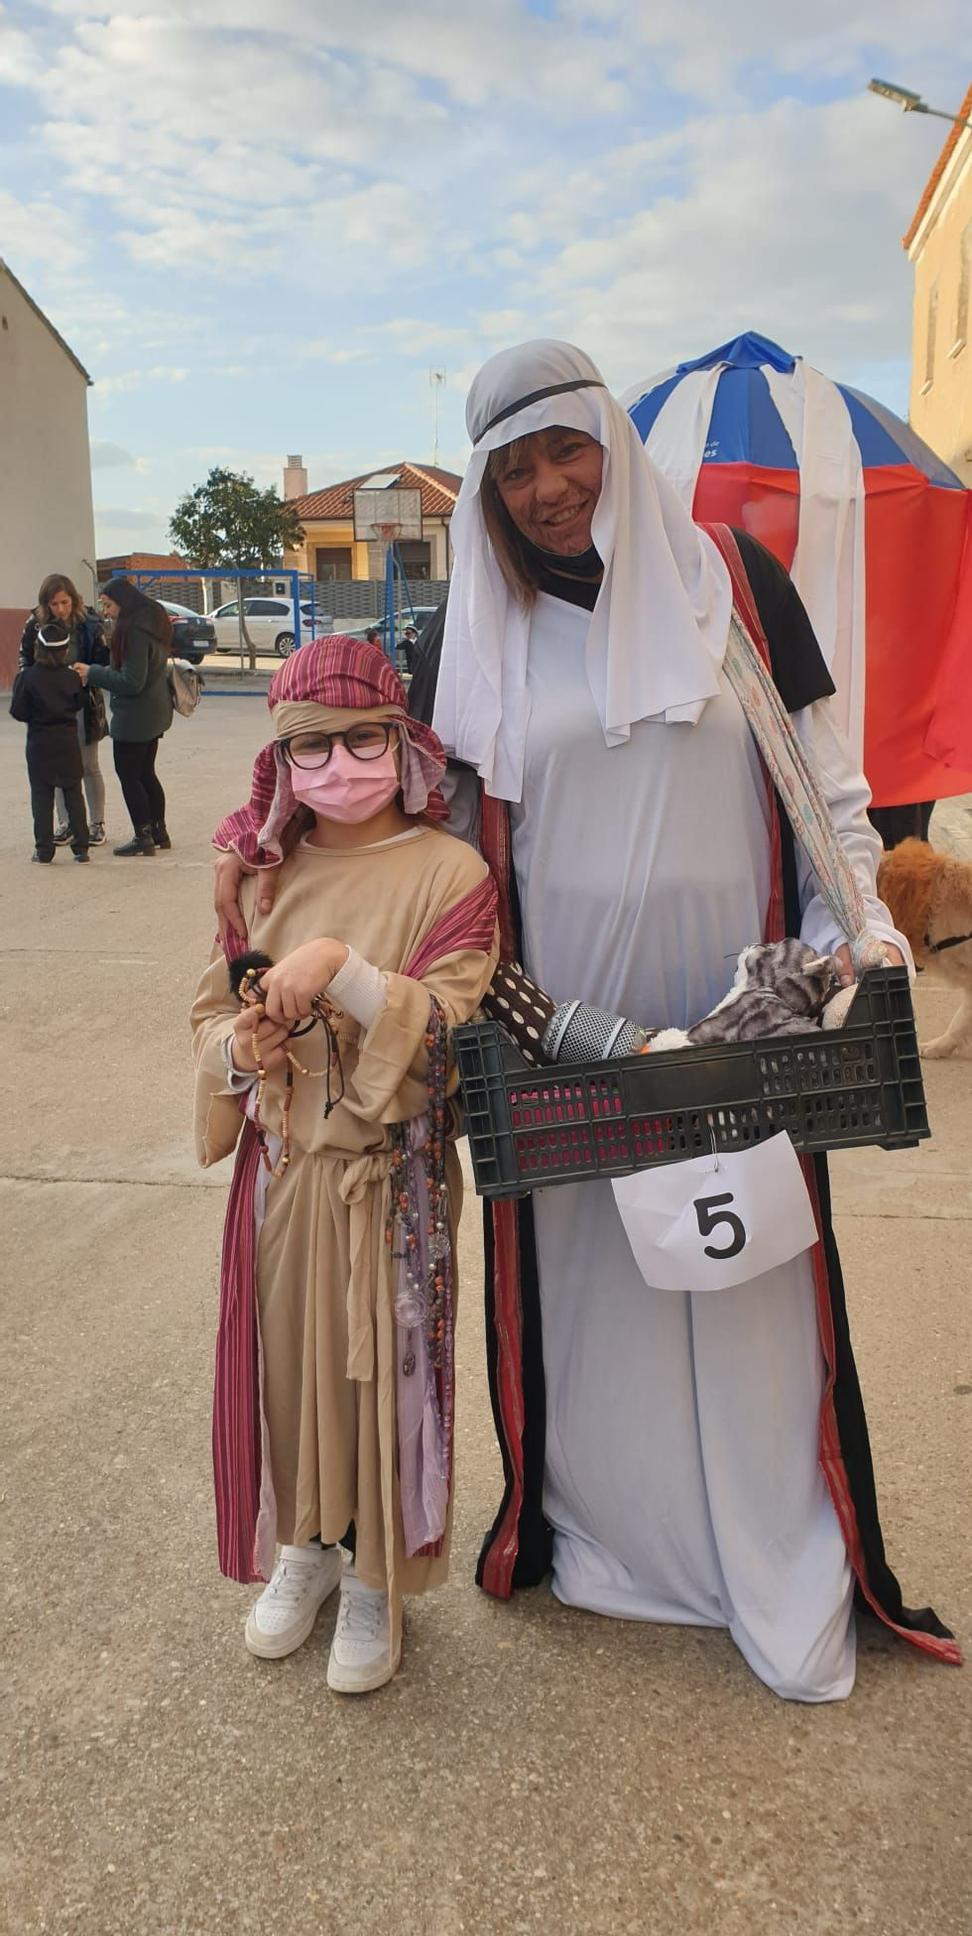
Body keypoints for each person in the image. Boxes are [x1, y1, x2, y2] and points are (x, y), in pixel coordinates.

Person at [214, 340, 959, 1700]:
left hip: (744, 1019)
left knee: (748, 1297)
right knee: (599, 1295)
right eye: (515, 471)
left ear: (612, 441)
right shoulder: (463, 635)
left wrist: (861, 937)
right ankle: (620, 1546)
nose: (550, 489)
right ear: (487, 495)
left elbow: (826, 787)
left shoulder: (735, 582)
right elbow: (420, 844)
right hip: (561, 1033)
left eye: (567, 451)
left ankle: (762, 1553)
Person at [193, 636, 498, 1692]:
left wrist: (348, 972)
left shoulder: (453, 872)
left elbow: (456, 1021)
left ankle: (377, 1572)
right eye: (310, 746)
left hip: (391, 1180)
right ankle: (307, 1547)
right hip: (283, 1180)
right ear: (279, 760)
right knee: (289, 1366)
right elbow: (207, 1007)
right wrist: (239, 1048)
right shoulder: (264, 880)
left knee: (383, 1372)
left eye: (363, 736)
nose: (340, 763)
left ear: (404, 740)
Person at [76, 579, 173, 857]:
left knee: (130, 776)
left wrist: (92, 672)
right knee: (146, 773)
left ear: (123, 602)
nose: (105, 611)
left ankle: (143, 836)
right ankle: (158, 831)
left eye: (108, 605)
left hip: (135, 718)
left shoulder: (133, 631)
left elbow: (131, 681)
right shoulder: (153, 621)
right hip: (154, 712)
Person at [18, 574, 110, 845]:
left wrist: (89, 672)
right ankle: (66, 823)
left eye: (64, 602)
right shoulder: (35, 623)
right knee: (54, 766)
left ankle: (96, 823)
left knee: (88, 764)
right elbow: (24, 656)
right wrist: (32, 682)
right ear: (46, 604)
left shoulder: (90, 623)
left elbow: (104, 661)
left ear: (74, 599)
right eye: (54, 604)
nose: (60, 609)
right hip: (47, 703)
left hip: (82, 699)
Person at [10, 617, 90, 862]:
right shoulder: (72, 677)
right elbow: (81, 703)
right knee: (74, 793)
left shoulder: (27, 677)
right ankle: (82, 848)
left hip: (39, 743)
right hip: (67, 742)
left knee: (41, 796)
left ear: (38, 649)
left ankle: (44, 850)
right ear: (66, 650)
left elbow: (18, 711)